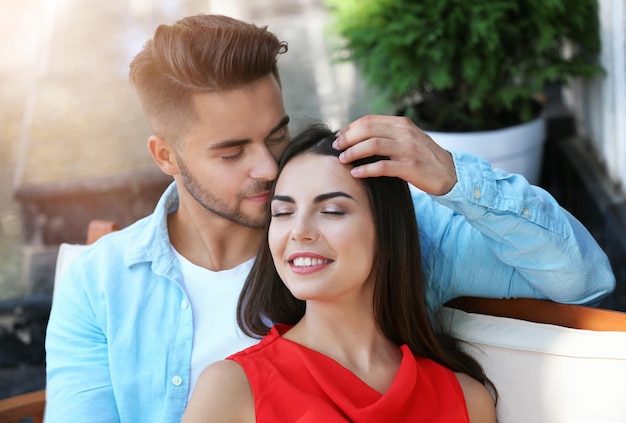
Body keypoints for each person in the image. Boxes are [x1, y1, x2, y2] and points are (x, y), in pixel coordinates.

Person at [44, 13, 613, 423]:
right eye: (231, 151)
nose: (268, 167)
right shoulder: (101, 284)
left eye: (276, 135)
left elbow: (581, 278)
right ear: (165, 156)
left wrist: (451, 174)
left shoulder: (386, 232)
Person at [182, 124, 497, 422]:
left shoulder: (467, 400)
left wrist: (450, 173)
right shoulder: (231, 389)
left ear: (387, 233)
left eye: (331, 211)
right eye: (283, 213)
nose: (299, 231)